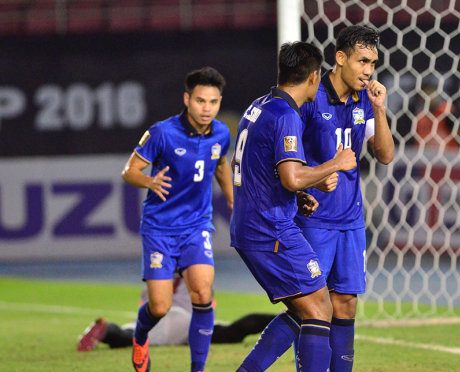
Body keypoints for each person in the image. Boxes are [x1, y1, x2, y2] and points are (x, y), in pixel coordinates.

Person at [229, 41, 357, 372]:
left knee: (308, 308)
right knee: (319, 309)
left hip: (251, 224)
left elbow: (258, 167)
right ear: (314, 77)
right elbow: (291, 176)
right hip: (269, 229)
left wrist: (299, 194)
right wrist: (334, 164)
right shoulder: (287, 115)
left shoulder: (258, 107)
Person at [295, 25, 395, 372]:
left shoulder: (365, 100)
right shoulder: (311, 96)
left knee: (346, 304)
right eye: (362, 61)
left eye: (373, 63)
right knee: (309, 307)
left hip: (350, 219)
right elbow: (286, 153)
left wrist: (380, 109)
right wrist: (316, 176)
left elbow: (384, 154)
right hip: (313, 217)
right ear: (340, 58)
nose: (368, 70)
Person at [121, 66, 232, 372]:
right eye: (200, 101)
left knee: (203, 293)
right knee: (160, 307)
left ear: (219, 102)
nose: (206, 108)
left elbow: (221, 165)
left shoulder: (222, 133)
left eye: (213, 102)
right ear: (187, 99)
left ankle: (198, 367)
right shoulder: (162, 133)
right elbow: (129, 170)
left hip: (197, 227)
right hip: (160, 231)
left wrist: (235, 202)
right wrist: (149, 182)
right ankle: (140, 336)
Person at [76, 278, 274, 351]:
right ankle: (286, 319)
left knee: (128, 336)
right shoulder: (196, 268)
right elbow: (207, 299)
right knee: (232, 332)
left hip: (156, 316)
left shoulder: (156, 271)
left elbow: (145, 301)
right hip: (186, 320)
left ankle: (103, 327)